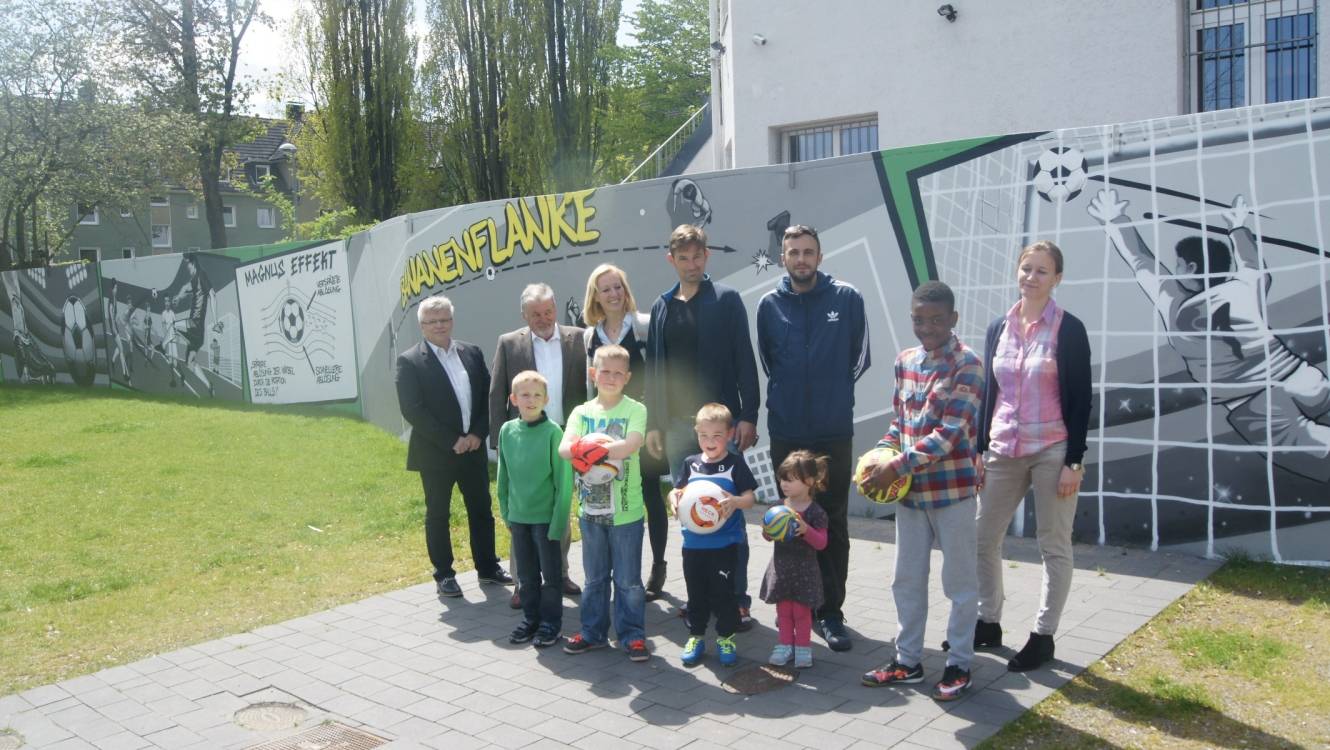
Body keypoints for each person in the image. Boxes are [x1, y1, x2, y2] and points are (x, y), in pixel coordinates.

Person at [1087, 188, 1330, 480]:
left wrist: (1115, 221)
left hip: (1254, 402)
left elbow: (1142, 262)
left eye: (1177, 265)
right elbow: (1251, 262)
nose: (1174, 271)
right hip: (1303, 379)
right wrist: (1237, 227)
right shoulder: (1244, 287)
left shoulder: (1175, 306)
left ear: (1190, 267)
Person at [965, 240, 1092, 672]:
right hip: (1003, 447)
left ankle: (1043, 636)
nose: (1031, 277)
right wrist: (980, 447)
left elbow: (1081, 399)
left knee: (1053, 544)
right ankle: (988, 621)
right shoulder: (998, 327)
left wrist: (1074, 462)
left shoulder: (1068, 329)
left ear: (1057, 279)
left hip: (1052, 448)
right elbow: (990, 394)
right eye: (1026, 268)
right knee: (983, 539)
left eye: (1042, 271)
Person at [860, 281, 982, 702]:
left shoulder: (968, 364)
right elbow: (900, 424)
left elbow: (949, 435)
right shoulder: (905, 361)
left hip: (953, 494)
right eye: (918, 319)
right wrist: (879, 454)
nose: (926, 327)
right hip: (910, 497)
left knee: (960, 584)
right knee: (906, 580)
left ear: (953, 319)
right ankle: (907, 661)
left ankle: (959, 664)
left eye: (935, 319)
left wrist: (895, 465)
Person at [756, 224, 870, 652]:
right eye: (793, 252)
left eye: (808, 251)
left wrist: (831, 394)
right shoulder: (769, 305)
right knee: (791, 521)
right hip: (787, 431)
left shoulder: (846, 298)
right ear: (783, 257)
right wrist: (793, 397)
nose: (800, 259)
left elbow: (859, 357)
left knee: (831, 521)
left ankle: (831, 613)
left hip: (832, 430)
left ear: (820, 256)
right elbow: (770, 362)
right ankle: (796, 603)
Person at [646, 224, 761, 629]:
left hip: (721, 427)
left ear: (707, 256)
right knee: (692, 512)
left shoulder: (727, 300)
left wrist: (748, 415)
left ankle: (737, 598)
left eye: (698, 257)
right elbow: (656, 371)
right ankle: (701, 598)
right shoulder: (662, 307)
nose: (691, 265)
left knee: (729, 512)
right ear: (671, 260)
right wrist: (656, 423)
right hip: (680, 430)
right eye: (684, 258)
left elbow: (744, 358)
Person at [395, 295, 512, 599]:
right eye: (432, 321)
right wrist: (452, 440)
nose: (439, 325)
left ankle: (487, 567)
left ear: (452, 321)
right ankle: (444, 574)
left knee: (481, 510)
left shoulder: (470, 353)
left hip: (473, 450)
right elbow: (412, 409)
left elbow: (489, 395)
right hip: (436, 454)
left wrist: (476, 433)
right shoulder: (409, 361)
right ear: (422, 326)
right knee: (438, 514)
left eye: (444, 319)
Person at [490, 283, 588, 602]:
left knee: (561, 504)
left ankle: (559, 573)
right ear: (524, 314)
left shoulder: (579, 338)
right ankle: (522, 582)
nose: (543, 318)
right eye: (535, 314)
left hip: (566, 434)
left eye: (548, 311)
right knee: (524, 508)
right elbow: (496, 393)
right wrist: (499, 440)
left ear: (555, 309)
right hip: (526, 436)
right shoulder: (508, 343)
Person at [582, 264, 671, 600]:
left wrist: (655, 424)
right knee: (614, 498)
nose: (614, 294)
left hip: (644, 427)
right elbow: (591, 388)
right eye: (606, 289)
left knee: (649, 494)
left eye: (618, 286)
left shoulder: (645, 325)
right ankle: (619, 572)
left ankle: (658, 567)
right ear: (596, 296)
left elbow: (659, 377)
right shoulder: (590, 334)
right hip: (607, 434)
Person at [560, 344, 651, 662]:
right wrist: (583, 448)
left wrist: (595, 451)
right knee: (594, 577)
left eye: (618, 373)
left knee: (628, 581)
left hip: (627, 511)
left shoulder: (635, 410)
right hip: (590, 511)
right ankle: (592, 632)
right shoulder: (581, 413)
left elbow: (631, 445)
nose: (611, 377)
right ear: (593, 374)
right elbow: (564, 449)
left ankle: (633, 635)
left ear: (627, 378)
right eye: (605, 371)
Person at [668, 403, 757, 668]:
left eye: (717, 435)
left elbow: (751, 498)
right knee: (696, 594)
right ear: (697, 435)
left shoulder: (734, 464)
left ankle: (726, 638)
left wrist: (736, 502)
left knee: (724, 595)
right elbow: (676, 491)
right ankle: (696, 637)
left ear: (729, 435)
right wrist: (673, 499)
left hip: (724, 545)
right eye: (704, 435)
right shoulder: (690, 464)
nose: (710, 441)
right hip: (693, 544)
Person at [497, 370, 573, 648]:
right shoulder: (507, 431)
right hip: (518, 518)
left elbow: (563, 483)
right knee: (526, 576)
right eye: (525, 395)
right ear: (513, 399)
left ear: (547, 399)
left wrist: (558, 521)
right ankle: (531, 619)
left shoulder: (554, 432)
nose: (531, 400)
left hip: (546, 520)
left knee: (551, 577)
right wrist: (506, 511)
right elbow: (503, 475)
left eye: (537, 395)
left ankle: (551, 623)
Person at [760, 450, 829, 669]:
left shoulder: (815, 512)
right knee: (783, 611)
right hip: (782, 569)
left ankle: (803, 648)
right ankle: (784, 645)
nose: (784, 484)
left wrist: (805, 529)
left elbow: (821, 543)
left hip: (804, 571)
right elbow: (768, 535)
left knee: (801, 612)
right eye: (782, 478)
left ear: (809, 481)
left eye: (790, 479)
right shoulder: (777, 507)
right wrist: (768, 531)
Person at [176, 254, 217, 397]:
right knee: (189, 362)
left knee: (173, 326)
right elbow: (184, 287)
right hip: (198, 333)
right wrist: (178, 297)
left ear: (192, 263)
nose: (186, 268)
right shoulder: (194, 280)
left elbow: (212, 294)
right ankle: (209, 386)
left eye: (187, 264)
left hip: (195, 324)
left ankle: (162, 347)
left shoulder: (201, 275)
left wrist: (216, 320)